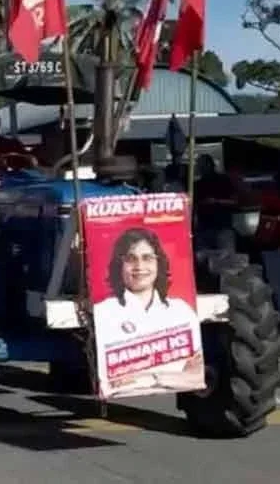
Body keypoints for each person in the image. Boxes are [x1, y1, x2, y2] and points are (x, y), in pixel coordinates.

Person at [93, 228, 202, 393]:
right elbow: (110, 383)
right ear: (119, 266)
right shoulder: (104, 312)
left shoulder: (181, 311)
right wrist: (177, 376)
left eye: (148, 258)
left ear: (159, 263)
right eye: (130, 259)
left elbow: (197, 376)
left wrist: (151, 378)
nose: (139, 266)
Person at [193, 155, 238, 250]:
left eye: (200, 165)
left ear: (209, 165)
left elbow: (234, 201)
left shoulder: (223, 181)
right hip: (204, 229)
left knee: (226, 258)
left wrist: (216, 201)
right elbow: (194, 206)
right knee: (203, 259)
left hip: (223, 227)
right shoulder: (197, 185)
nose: (198, 167)